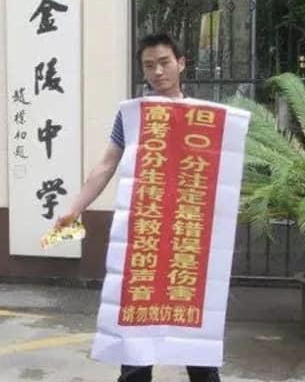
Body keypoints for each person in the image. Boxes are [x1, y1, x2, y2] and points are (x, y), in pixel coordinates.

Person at [54, 33, 222, 382]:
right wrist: (75, 208)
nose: (157, 72)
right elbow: (106, 165)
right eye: (149, 66)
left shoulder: (203, 117)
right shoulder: (132, 116)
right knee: (136, 324)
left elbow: (224, 174)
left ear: (181, 63)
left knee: (195, 331)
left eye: (164, 62)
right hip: (145, 233)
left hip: (188, 237)